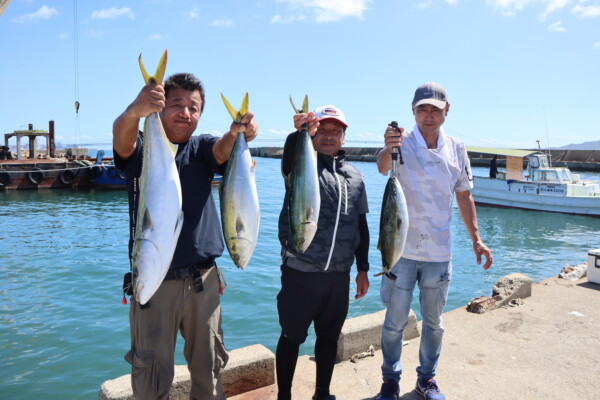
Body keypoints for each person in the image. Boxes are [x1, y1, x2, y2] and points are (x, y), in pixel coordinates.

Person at [113, 72, 258, 400]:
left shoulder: (201, 148)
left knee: (209, 368)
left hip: (202, 283)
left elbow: (224, 149)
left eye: (193, 108)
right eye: (176, 104)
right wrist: (134, 111)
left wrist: (243, 131)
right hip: (154, 283)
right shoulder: (142, 148)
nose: (185, 113)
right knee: (150, 374)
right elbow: (121, 142)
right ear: (160, 109)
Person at [374, 82, 492, 400]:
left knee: (434, 323)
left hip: (439, 252)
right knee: (394, 322)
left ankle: (426, 379)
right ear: (413, 111)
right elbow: (383, 166)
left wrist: (477, 240)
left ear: (446, 111)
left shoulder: (457, 147)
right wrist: (387, 147)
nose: (428, 115)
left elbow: (464, 196)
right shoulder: (401, 141)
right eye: (422, 109)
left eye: (435, 109)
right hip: (401, 250)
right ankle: (390, 380)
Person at [276, 105, 370, 400]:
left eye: (336, 131)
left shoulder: (355, 177)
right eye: (323, 130)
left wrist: (363, 268)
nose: (329, 136)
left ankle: (322, 393)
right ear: (314, 134)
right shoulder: (301, 165)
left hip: (338, 277)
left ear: (344, 137)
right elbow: (290, 158)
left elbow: (361, 225)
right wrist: (299, 133)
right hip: (301, 274)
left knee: (329, 338)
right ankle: (284, 395)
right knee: (291, 338)